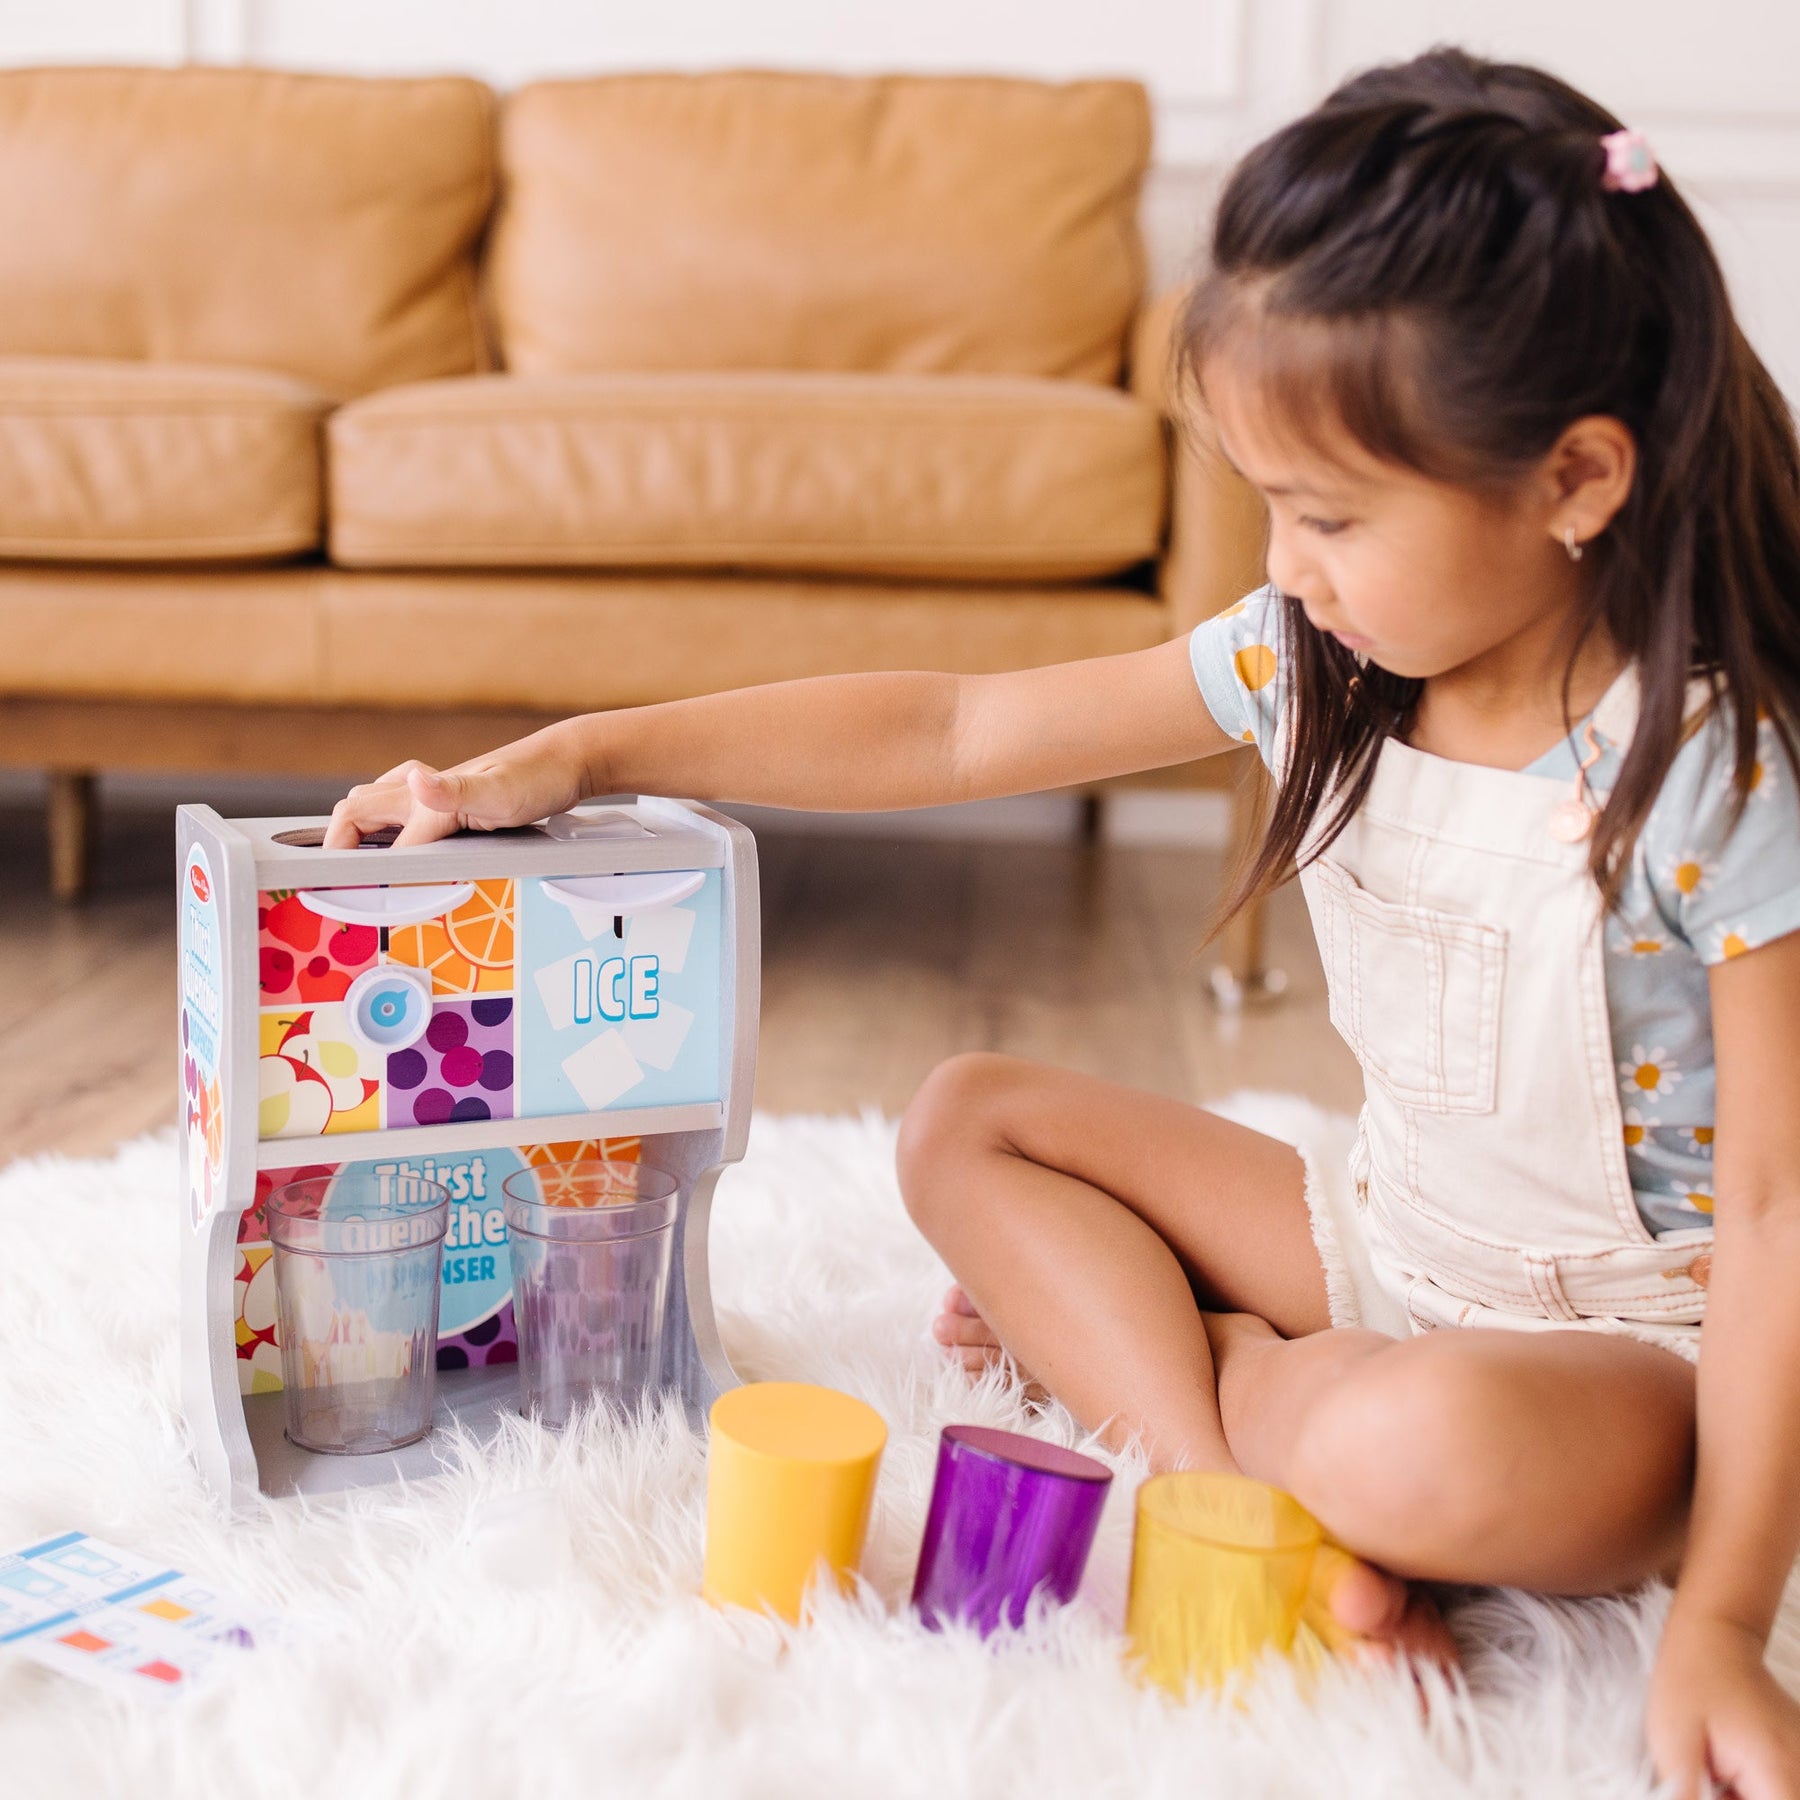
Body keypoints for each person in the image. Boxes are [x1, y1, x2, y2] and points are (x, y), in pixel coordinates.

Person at [324, 48, 1800, 1796]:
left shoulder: (1716, 771)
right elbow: (954, 724)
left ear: (1576, 479)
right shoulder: (1308, 654)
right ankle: (1210, 1469)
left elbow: (1783, 1209)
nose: (1289, 564)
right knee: (969, 1118)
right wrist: (581, 751)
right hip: (1392, 1235)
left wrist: (1714, 1624)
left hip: (1635, 1344)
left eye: (1328, 514)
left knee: (1435, 1448)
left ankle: (1219, 1369)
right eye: (1267, 502)